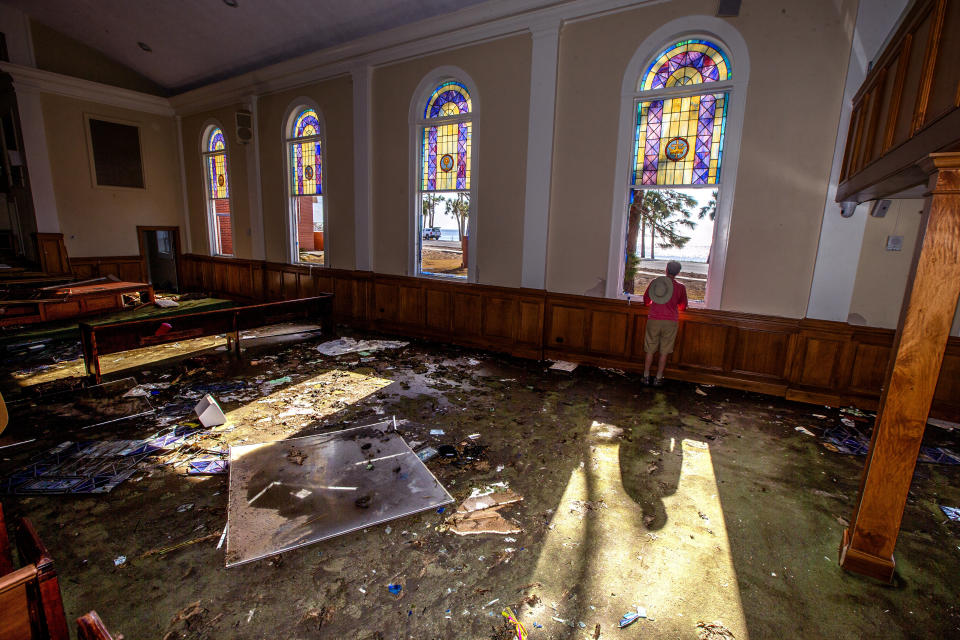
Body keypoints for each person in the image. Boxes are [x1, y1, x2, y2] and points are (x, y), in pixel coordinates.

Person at [642, 260, 687, 386]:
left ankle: (645, 376)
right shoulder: (680, 287)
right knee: (664, 351)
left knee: (650, 349)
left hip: (654, 319)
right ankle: (658, 378)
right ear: (678, 272)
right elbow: (683, 307)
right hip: (670, 322)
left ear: (666, 269)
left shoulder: (655, 283)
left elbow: (646, 301)